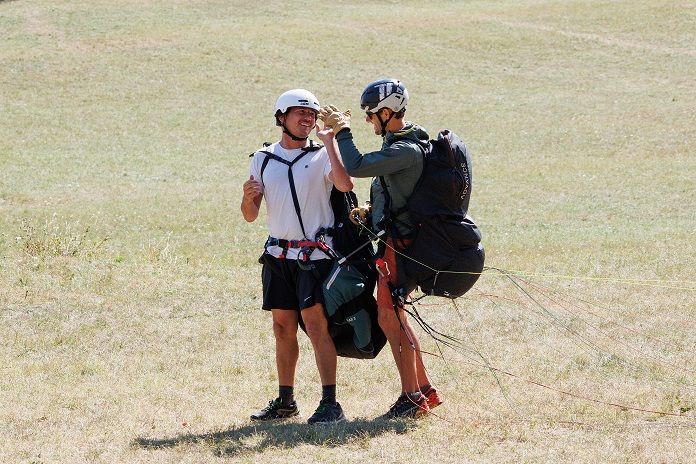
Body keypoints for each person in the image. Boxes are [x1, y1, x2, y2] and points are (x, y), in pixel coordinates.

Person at [318, 79, 443, 419]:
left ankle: (411, 398)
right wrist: (372, 216)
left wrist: (342, 132)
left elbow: (356, 167)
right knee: (397, 317)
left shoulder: (404, 149)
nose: (368, 121)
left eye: (371, 115)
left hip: (400, 249)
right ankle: (424, 390)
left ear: (387, 113)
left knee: (390, 319)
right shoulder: (399, 143)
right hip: (397, 243)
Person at [241, 89, 354, 424]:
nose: (307, 118)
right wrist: (247, 199)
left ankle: (331, 403)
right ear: (281, 118)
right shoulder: (263, 158)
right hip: (278, 256)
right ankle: (286, 401)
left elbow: (345, 184)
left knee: (317, 326)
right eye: (300, 113)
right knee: (281, 327)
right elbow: (250, 215)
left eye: (312, 114)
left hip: (315, 258)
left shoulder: (321, 156)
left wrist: (330, 141)